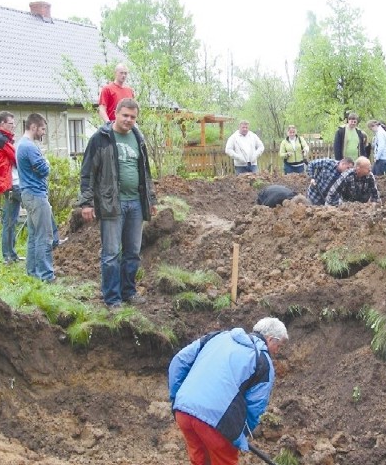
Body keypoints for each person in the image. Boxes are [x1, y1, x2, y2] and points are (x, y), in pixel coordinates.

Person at [168, 317, 289, 465]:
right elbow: (255, 407)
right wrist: (238, 434)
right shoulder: (262, 361)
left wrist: (176, 399)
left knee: (200, 461)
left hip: (184, 411)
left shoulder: (217, 337)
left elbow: (179, 361)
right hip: (218, 422)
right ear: (271, 339)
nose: (277, 351)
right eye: (280, 346)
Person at [79, 98, 157, 308]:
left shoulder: (138, 138)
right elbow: (87, 173)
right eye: (125, 115)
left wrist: (150, 198)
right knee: (111, 253)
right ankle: (112, 298)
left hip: (136, 204)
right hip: (110, 204)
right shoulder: (101, 139)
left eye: (133, 117)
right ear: (115, 113)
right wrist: (86, 203)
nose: (128, 120)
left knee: (132, 252)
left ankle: (128, 292)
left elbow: (146, 172)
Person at [16, 113, 55, 282]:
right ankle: (46, 275)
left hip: (28, 194)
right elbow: (44, 169)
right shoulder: (29, 147)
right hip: (36, 195)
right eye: (42, 129)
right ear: (33, 127)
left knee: (33, 235)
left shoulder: (21, 144)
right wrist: (46, 162)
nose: (43, 133)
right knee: (44, 236)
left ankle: (32, 273)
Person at [0, 111, 20, 264]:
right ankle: (7, 255)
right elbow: (17, 157)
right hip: (10, 184)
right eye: (11, 124)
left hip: (8, 183)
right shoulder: (2, 139)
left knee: (11, 220)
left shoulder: (3, 139)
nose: (13, 127)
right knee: (9, 221)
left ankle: (10, 253)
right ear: (2, 124)